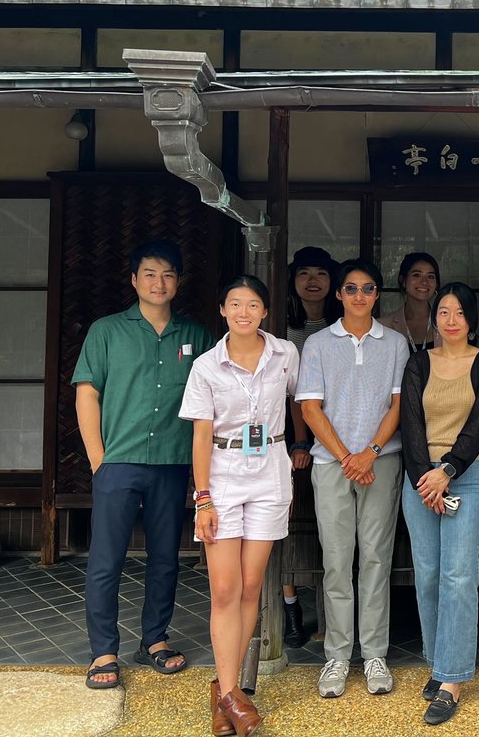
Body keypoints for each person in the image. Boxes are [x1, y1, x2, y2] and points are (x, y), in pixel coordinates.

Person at [73, 239, 213, 690]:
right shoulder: (107, 331)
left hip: (172, 464)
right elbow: (87, 393)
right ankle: (103, 651)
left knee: (165, 559)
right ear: (134, 280)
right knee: (106, 559)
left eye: (168, 274)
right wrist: (98, 459)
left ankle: (154, 640)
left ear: (178, 282)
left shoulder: (197, 336)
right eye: (150, 274)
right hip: (117, 462)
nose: (159, 282)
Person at [180, 276, 299, 737]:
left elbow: (302, 404)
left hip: (270, 469)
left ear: (265, 312)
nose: (244, 312)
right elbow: (200, 437)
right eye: (235, 304)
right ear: (223, 310)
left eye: (253, 304)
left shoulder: (285, 355)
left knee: (252, 587)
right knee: (225, 590)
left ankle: (224, 695)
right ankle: (231, 693)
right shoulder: (207, 366)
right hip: (224, 474)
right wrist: (203, 498)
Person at [296, 259, 410, 699]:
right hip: (331, 464)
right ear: (338, 295)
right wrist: (347, 457)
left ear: (377, 295)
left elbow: (399, 405)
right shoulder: (319, 344)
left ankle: (375, 653)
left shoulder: (396, 343)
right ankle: (338, 657)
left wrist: (370, 453)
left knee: (377, 559)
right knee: (337, 563)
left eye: (367, 289)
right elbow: (309, 408)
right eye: (351, 289)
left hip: (381, 461)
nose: (359, 296)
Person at [400, 283, 479, 726]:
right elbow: (410, 422)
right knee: (427, 574)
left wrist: (449, 472)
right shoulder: (418, 362)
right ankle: (438, 660)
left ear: (471, 318)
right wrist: (427, 477)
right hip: (421, 479)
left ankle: (452, 679)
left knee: (459, 576)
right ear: (434, 317)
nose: (451, 319)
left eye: (460, 311)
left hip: (469, 474)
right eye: (443, 311)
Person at [282, 245, 343, 648]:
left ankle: (325, 617)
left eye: (321, 273)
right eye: (304, 273)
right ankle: (288, 607)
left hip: (336, 441)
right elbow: (293, 396)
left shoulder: (342, 328)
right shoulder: (284, 333)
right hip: (290, 438)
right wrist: (299, 441)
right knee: (285, 526)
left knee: (329, 536)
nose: (313, 281)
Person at [379, 252, 440, 353]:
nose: (424, 282)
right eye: (417, 275)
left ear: (436, 284)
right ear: (403, 281)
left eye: (431, 276)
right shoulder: (383, 326)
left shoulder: (447, 325)